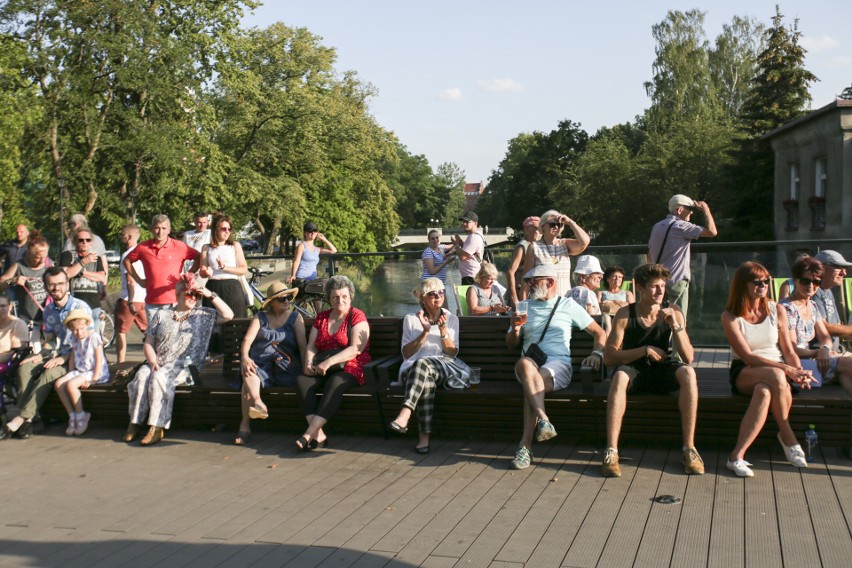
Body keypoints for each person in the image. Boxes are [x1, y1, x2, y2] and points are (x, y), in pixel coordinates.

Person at [601, 264, 704, 477]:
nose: (660, 291)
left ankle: (689, 449)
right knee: (619, 376)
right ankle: (611, 451)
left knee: (688, 373)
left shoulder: (673, 311)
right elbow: (609, 357)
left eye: (663, 286)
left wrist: (676, 326)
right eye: (654, 287)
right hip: (633, 370)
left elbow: (689, 357)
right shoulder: (625, 314)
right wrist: (644, 350)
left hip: (661, 369)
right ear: (639, 288)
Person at [505, 264, 606, 469]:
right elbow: (511, 345)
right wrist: (515, 329)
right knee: (525, 365)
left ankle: (525, 446)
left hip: (558, 364)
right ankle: (543, 419)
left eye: (534, 281)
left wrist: (596, 353)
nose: (529, 285)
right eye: (527, 282)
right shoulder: (523, 306)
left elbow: (599, 332)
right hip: (529, 364)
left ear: (550, 282)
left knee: (531, 385)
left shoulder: (567, 305)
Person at [721, 261, 812, 477]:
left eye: (766, 281)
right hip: (746, 370)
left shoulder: (775, 309)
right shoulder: (730, 316)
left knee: (764, 391)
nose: (763, 285)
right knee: (776, 375)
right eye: (757, 282)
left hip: (778, 372)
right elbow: (748, 357)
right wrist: (786, 369)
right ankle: (787, 436)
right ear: (743, 285)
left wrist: (799, 371)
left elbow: (789, 350)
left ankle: (736, 457)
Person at [125, 274, 234, 446]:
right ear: (178, 295)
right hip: (159, 361)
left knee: (160, 377)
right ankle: (135, 422)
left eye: (196, 295)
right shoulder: (162, 314)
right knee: (141, 377)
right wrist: (152, 360)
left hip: (187, 366)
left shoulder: (203, 315)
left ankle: (157, 426)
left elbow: (228, 315)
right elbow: (149, 342)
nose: (193, 298)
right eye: (189, 294)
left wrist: (206, 292)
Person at [1, 268, 92, 440]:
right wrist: (41, 354)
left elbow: (87, 342)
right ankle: (29, 418)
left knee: (49, 374)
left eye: (60, 284)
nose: (56, 288)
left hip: (77, 359)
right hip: (56, 355)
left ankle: (20, 419)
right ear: (46, 286)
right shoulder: (49, 309)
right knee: (25, 367)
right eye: (51, 285)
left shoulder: (80, 307)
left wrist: (63, 357)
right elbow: (50, 340)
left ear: (67, 284)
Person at [295, 275, 371, 451]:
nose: (340, 300)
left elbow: (356, 349)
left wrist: (328, 362)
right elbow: (312, 346)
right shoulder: (321, 317)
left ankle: (308, 434)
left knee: (335, 382)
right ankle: (319, 434)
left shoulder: (357, 316)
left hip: (352, 365)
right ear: (329, 298)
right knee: (301, 381)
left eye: (344, 296)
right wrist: (308, 363)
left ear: (350, 297)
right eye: (335, 297)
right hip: (323, 365)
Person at [389, 278, 463, 454]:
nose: (438, 296)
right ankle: (424, 439)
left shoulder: (451, 319)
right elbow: (407, 354)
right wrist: (426, 332)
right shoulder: (410, 319)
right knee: (425, 379)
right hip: (414, 370)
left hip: (443, 368)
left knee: (423, 364)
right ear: (423, 298)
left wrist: (443, 331)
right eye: (432, 294)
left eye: (441, 292)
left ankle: (405, 412)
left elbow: (452, 353)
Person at [235, 282, 306, 446]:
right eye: (282, 299)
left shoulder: (296, 318)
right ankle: (257, 404)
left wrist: (305, 367)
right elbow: (247, 340)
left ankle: (245, 425)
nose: (287, 301)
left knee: (246, 385)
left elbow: (302, 346)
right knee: (248, 370)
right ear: (272, 302)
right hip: (260, 362)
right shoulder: (260, 317)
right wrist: (245, 356)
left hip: (285, 365)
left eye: (289, 297)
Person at [780, 256, 852, 392]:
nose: (811, 286)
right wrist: (817, 352)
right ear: (795, 281)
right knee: (848, 365)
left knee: (845, 375)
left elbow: (825, 336)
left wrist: (824, 349)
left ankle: (839, 410)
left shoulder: (812, 305)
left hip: (812, 361)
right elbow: (791, 349)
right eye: (805, 281)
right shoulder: (786, 308)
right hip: (794, 365)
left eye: (816, 282)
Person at [647, 194, 717, 323]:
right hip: (676, 281)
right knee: (677, 323)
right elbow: (712, 232)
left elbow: (649, 254)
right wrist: (706, 209)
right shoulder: (682, 226)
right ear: (679, 210)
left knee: (658, 321)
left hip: (657, 282)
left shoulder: (657, 227)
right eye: (689, 209)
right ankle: (677, 344)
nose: (691, 213)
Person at [124, 214, 199, 323]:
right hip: (151, 302)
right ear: (152, 229)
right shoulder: (143, 247)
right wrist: (139, 280)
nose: (160, 232)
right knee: (153, 337)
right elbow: (126, 261)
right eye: (157, 228)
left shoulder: (179, 246)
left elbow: (199, 257)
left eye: (164, 228)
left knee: (172, 336)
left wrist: (189, 274)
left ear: (169, 230)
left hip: (174, 301)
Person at [53, 309, 109, 436]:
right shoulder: (74, 338)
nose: (79, 332)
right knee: (59, 384)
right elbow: (73, 356)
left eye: (82, 328)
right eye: (75, 330)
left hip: (94, 371)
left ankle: (81, 415)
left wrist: (93, 379)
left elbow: (99, 359)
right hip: (80, 370)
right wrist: (70, 372)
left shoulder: (94, 337)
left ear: (87, 324)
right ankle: (71, 415)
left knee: (71, 385)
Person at [523, 209, 590, 297]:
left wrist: (570, 222)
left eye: (559, 224)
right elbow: (525, 279)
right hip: (543, 300)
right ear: (543, 226)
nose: (556, 227)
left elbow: (585, 242)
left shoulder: (564, 244)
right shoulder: (534, 247)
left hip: (565, 300)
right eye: (552, 224)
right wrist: (523, 304)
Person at [197, 215, 248, 317]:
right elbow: (202, 272)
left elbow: (243, 269)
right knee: (212, 323)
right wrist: (206, 272)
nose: (227, 231)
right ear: (216, 229)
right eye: (224, 229)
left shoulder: (234, 245)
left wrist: (225, 267)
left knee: (236, 320)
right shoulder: (206, 247)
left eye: (229, 229)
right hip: (213, 287)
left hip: (232, 287)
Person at [59, 227, 108, 328]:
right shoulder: (68, 256)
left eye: (88, 240)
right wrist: (83, 262)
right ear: (74, 242)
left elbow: (101, 277)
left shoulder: (95, 258)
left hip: (93, 304)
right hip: (74, 304)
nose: (84, 242)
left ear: (91, 243)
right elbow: (66, 274)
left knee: (94, 339)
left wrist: (81, 272)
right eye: (81, 240)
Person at [0, 231, 50, 324]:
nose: (42, 261)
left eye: (45, 256)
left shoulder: (49, 264)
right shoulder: (19, 266)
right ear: (29, 253)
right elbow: (2, 284)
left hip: (47, 320)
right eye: (38, 257)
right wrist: (13, 280)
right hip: (26, 321)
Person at [114, 224, 147, 363]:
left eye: (122, 235)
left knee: (121, 332)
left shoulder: (127, 255)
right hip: (144, 299)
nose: (120, 237)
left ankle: (120, 363)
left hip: (129, 298)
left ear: (130, 237)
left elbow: (130, 280)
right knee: (148, 331)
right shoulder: (144, 253)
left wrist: (130, 300)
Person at [811, 250, 852, 351]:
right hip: (819, 354)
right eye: (838, 267)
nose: (844, 273)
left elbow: (836, 325)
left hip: (836, 350)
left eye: (845, 268)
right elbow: (825, 327)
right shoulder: (812, 291)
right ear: (821, 268)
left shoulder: (828, 291)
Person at [288, 221, 337, 288]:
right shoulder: (302, 246)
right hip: (301, 279)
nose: (313, 233)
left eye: (314, 231)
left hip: (312, 280)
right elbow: (296, 261)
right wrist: (293, 275)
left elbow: (333, 250)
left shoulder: (317, 249)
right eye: (310, 231)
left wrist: (324, 239)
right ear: (305, 233)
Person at [506, 216, 540, 308]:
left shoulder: (536, 245)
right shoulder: (522, 246)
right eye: (536, 228)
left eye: (540, 228)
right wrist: (514, 298)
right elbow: (510, 272)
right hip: (520, 292)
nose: (539, 232)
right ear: (527, 229)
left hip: (532, 292)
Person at [452, 212, 484, 286]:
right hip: (470, 275)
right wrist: (461, 244)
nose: (464, 224)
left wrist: (456, 245)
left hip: (470, 276)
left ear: (475, 223)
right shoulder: (474, 235)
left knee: (470, 297)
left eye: (467, 222)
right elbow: (470, 251)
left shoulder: (474, 237)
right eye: (463, 222)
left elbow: (463, 257)